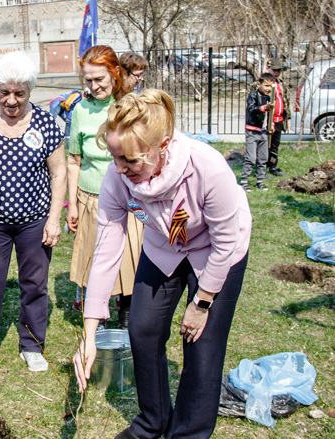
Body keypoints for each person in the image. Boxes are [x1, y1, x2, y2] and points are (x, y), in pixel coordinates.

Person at [73, 89, 251, 439]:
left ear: (163, 146)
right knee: (142, 330)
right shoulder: (117, 177)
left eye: (131, 161)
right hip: (164, 248)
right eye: (115, 158)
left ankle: (188, 432)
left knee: (201, 346)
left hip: (216, 253)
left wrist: (202, 303)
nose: (121, 169)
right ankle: (153, 422)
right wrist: (89, 334)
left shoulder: (207, 167)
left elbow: (226, 240)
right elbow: (107, 250)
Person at [0, 51, 67, 372]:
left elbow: (59, 172)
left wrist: (53, 219)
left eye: (19, 93)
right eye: (4, 92)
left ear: (30, 91)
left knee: (34, 285)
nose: (11, 100)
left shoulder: (46, 123)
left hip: (33, 221)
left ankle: (32, 345)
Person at [67, 45, 143, 330]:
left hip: (129, 200)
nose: (93, 85)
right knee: (93, 262)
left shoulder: (131, 107)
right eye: (88, 79)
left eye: (99, 79)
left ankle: (126, 322)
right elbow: (74, 160)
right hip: (90, 199)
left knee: (129, 263)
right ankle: (95, 324)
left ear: (114, 74)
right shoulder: (80, 110)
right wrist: (72, 203)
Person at [241, 73, 276, 192]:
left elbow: (269, 115)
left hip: (263, 132)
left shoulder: (268, 98)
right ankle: (244, 181)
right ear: (259, 84)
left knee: (263, 158)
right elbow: (252, 110)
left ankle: (259, 181)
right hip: (252, 132)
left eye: (270, 86)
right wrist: (264, 108)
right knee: (251, 158)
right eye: (266, 85)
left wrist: (271, 125)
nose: (268, 89)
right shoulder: (253, 96)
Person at [265, 57, 290, 176]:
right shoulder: (264, 83)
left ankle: (273, 166)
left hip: (279, 119)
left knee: (275, 145)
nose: (276, 72)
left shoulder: (280, 83)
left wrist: (287, 118)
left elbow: (284, 100)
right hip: (268, 120)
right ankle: (262, 167)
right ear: (268, 68)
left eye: (278, 70)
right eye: (274, 70)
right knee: (265, 145)